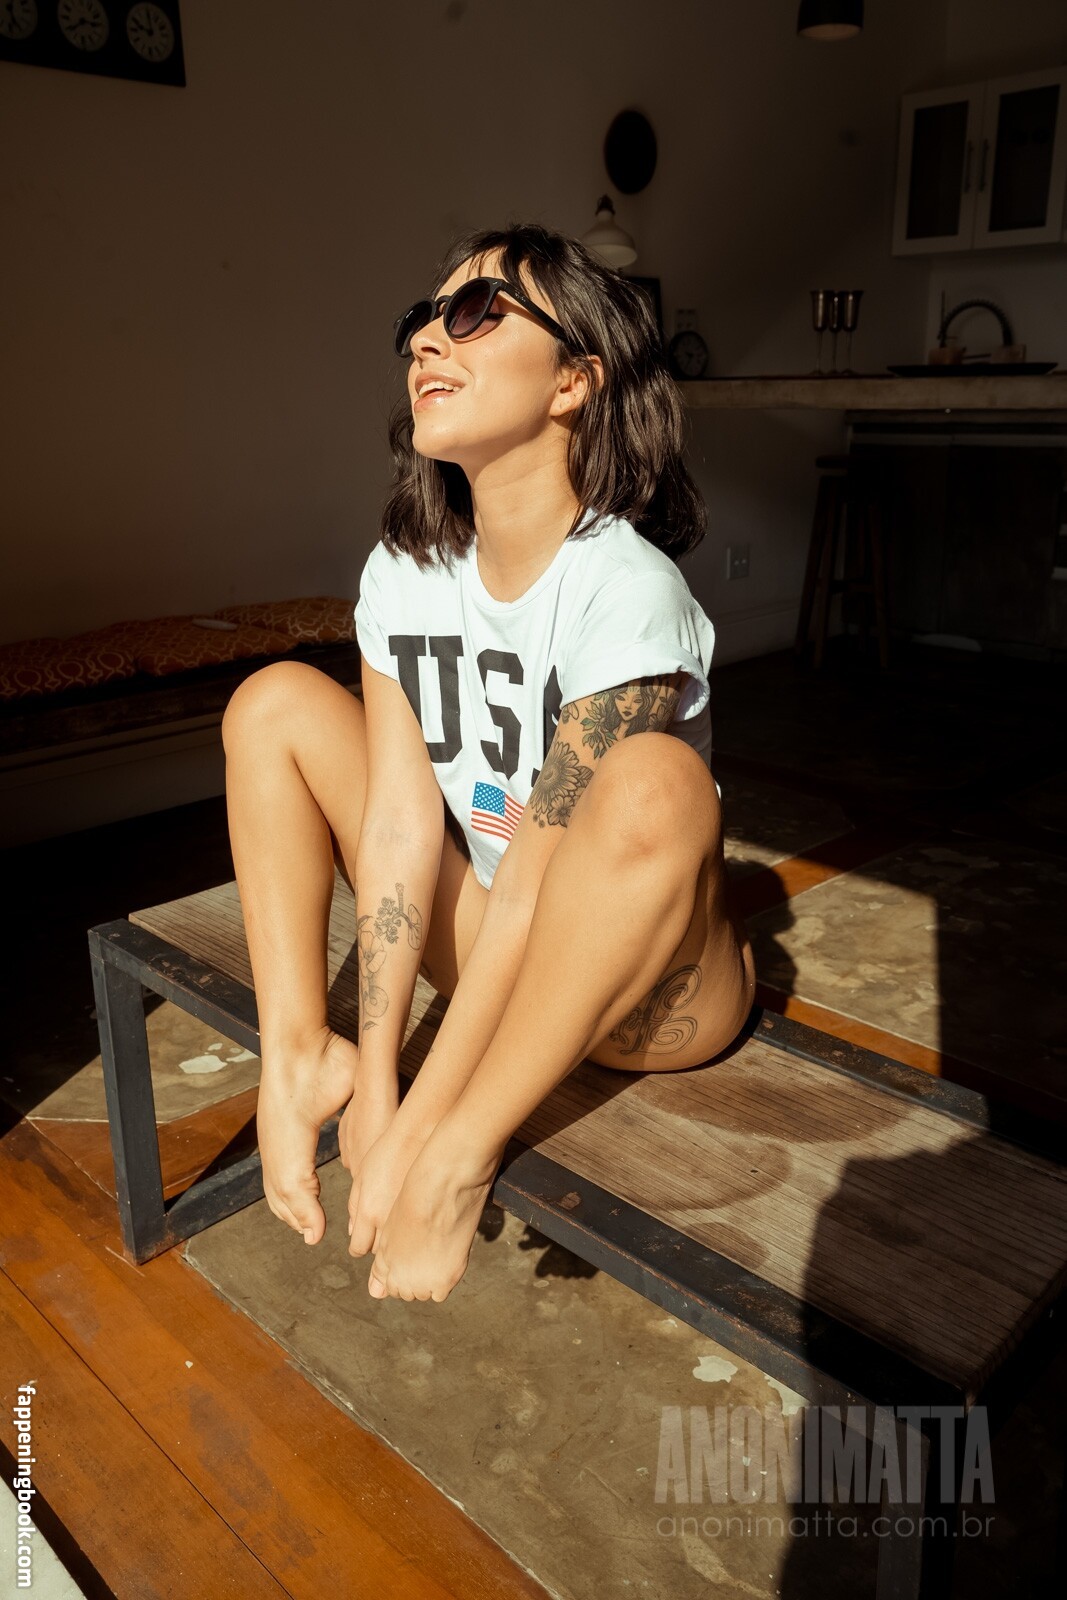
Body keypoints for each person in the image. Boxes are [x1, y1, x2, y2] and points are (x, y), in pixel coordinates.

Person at [221, 221, 756, 1305]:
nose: (426, 340)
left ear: (572, 380)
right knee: (272, 704)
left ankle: (465, 1162)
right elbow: (397, 830)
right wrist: (377, 1080)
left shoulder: (626, 591)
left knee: (653, 783)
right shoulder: (405, 571)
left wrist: (430, 1136)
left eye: (473, 314)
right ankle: (297, 1058)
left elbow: (532, 897)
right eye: (422, 319)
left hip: (641, 1000)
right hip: (496, 952)